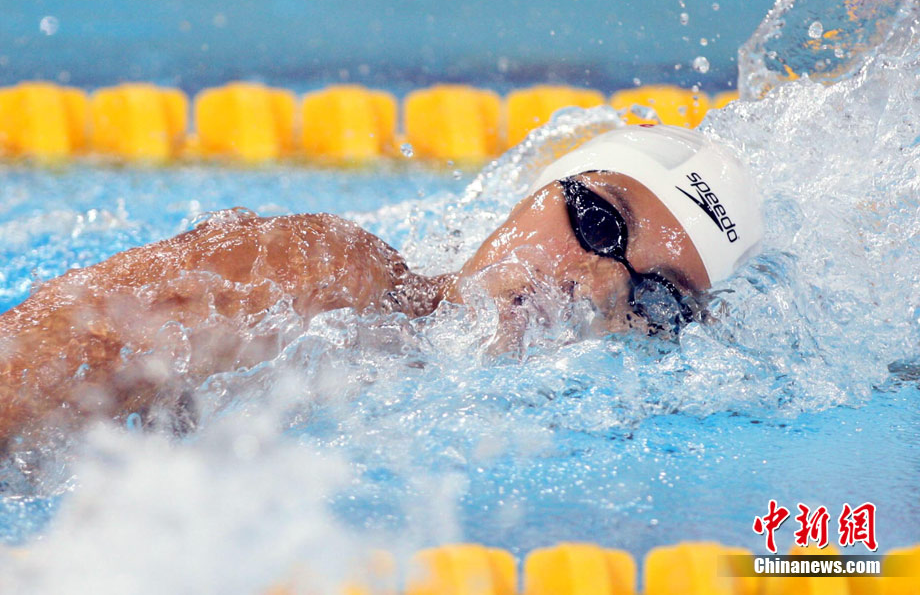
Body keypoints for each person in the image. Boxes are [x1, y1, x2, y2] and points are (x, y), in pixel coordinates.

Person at [0, 124, 763, 446]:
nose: (598, 285)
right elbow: (37, 360)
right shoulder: (324, 274)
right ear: (537, 192)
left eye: (657, 299)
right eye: (599, 221)